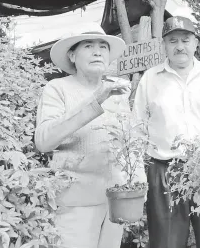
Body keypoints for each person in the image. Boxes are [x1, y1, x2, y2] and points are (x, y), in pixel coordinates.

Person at [132, 16, 200, 248]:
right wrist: (137, 172)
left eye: (185, 40)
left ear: (195, 43)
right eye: (173, 41)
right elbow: (137, 126)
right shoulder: (150, 79)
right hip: (163, 171)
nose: (180, 46)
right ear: (164, 45)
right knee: (166, 242)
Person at [34, 23, 135, 248]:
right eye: (88, 46)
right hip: (75, 202)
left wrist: (138, 184)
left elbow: (130, 144)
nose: (97, 51)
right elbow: (43, 140)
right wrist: (96, 99)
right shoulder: (57, 88)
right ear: (72, 55)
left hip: (115, 202)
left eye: (103, 47)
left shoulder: (117, 93)